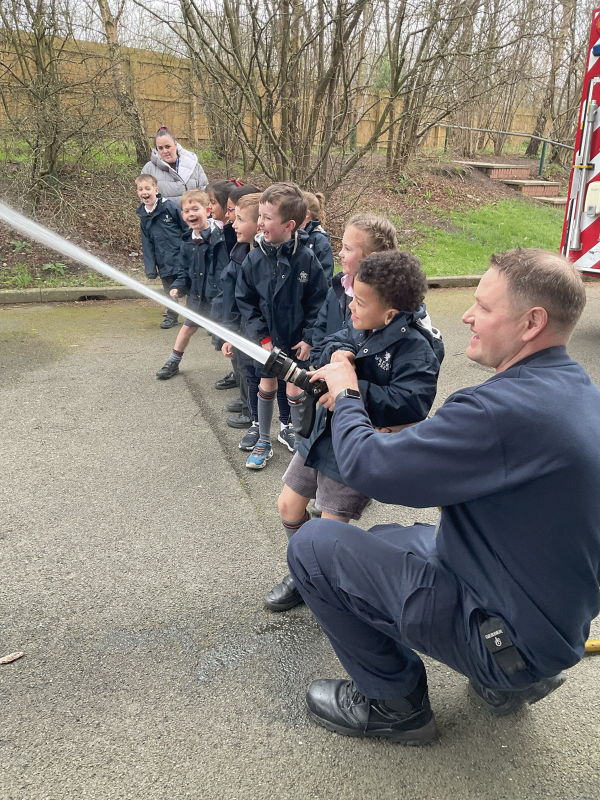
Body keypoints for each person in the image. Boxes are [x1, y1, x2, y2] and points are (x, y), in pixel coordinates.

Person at [287, 248, 600, 744]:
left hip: (507, 637)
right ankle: (508, 682)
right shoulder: (579, 392)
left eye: (483, 307)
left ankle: (396, 706)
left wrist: (347, 393)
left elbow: (371, 467)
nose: (467, 316)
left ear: (532, 322)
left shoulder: (499, 412)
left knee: (314, 546)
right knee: (390, 537)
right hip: (551, 625)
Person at [265, 250, 444, 612]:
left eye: (359, 302)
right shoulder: (361, 324)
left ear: (391, 314)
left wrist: (351, 389)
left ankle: (326, 586)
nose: (351, 308)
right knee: (288, 505)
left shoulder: (417, 351)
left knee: (328, 533)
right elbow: (335, 339)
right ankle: (306, 569)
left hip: (358, 447)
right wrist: (338, 356)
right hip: (320, 437)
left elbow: (410, 402)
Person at [236, 182, 328, 469]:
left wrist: (310, 338)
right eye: (259, 216)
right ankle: (263, 440)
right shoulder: (253, 258)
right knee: (266, 384)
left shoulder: (307, 259)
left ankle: (300, 439)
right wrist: (261, 338)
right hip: (266, 342)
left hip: (297, 341)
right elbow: (246, 302)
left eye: (266, 217)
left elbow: (319, 302)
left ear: (289, 224)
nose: (260, 222)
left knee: (295, 388)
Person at [155, 189, 229, 380]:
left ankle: (239, 373)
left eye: (195, 209)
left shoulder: (219, 237)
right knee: (187, 328)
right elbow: (184, 271)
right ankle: (173, 362)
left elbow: (225, 270)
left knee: (228, 336)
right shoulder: (186, 241)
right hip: (197, 298)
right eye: (187, 211)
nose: (191, 214)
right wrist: (178, 287)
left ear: (207, 210)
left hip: (218, 300)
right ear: (182, 216)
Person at [311, 214, 398, 355]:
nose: (340, 253)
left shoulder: (389, 302)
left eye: (348, 249)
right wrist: (329, 360)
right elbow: (320, 334)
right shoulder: (336, 288)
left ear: (372, 258)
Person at [136, 174, 188, 329]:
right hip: (163, 260)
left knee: (191, 288)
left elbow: (186, 228)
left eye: (147, 188)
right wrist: (150, 268)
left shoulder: (169, 207)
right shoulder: (144, 217)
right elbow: (147, 244)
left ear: (156, 190)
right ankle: (172, 317)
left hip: (180, 257)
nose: (144, 192)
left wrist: (190, 250)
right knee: (169, 291)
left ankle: (201, 318)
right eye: (140, 189)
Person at [142, 126, 208, 208]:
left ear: (175, 145)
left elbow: (205, 193)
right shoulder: (149, 169)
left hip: (193, 218)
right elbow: (145, 199)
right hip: (163, 219)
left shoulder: (194, 165)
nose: (165, 151)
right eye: (160, 148)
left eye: (167, 147)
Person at [301, 192, 334, 285]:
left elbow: (325, 279)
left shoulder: (320, 242)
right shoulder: (290, 236)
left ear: (307, 214)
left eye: (295, 210)